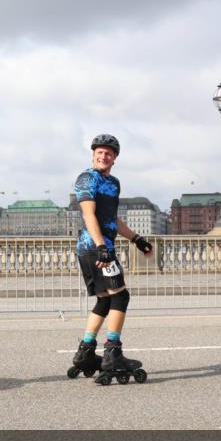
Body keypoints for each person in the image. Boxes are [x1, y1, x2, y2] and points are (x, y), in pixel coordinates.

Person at [70, 134, 154, 385]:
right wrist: (101, 247)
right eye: (99, 152)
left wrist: (137, 238)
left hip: (101, 246)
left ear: (115, 158)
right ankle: (112, 353)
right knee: (121, 296)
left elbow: (112, 219)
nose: (103, 156)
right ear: (93, 154)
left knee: (105, 300)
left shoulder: (114, 183)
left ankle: (85, 351)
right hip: (95, 247)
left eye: (108, 153)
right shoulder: (87, 178)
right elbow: (89, 214)